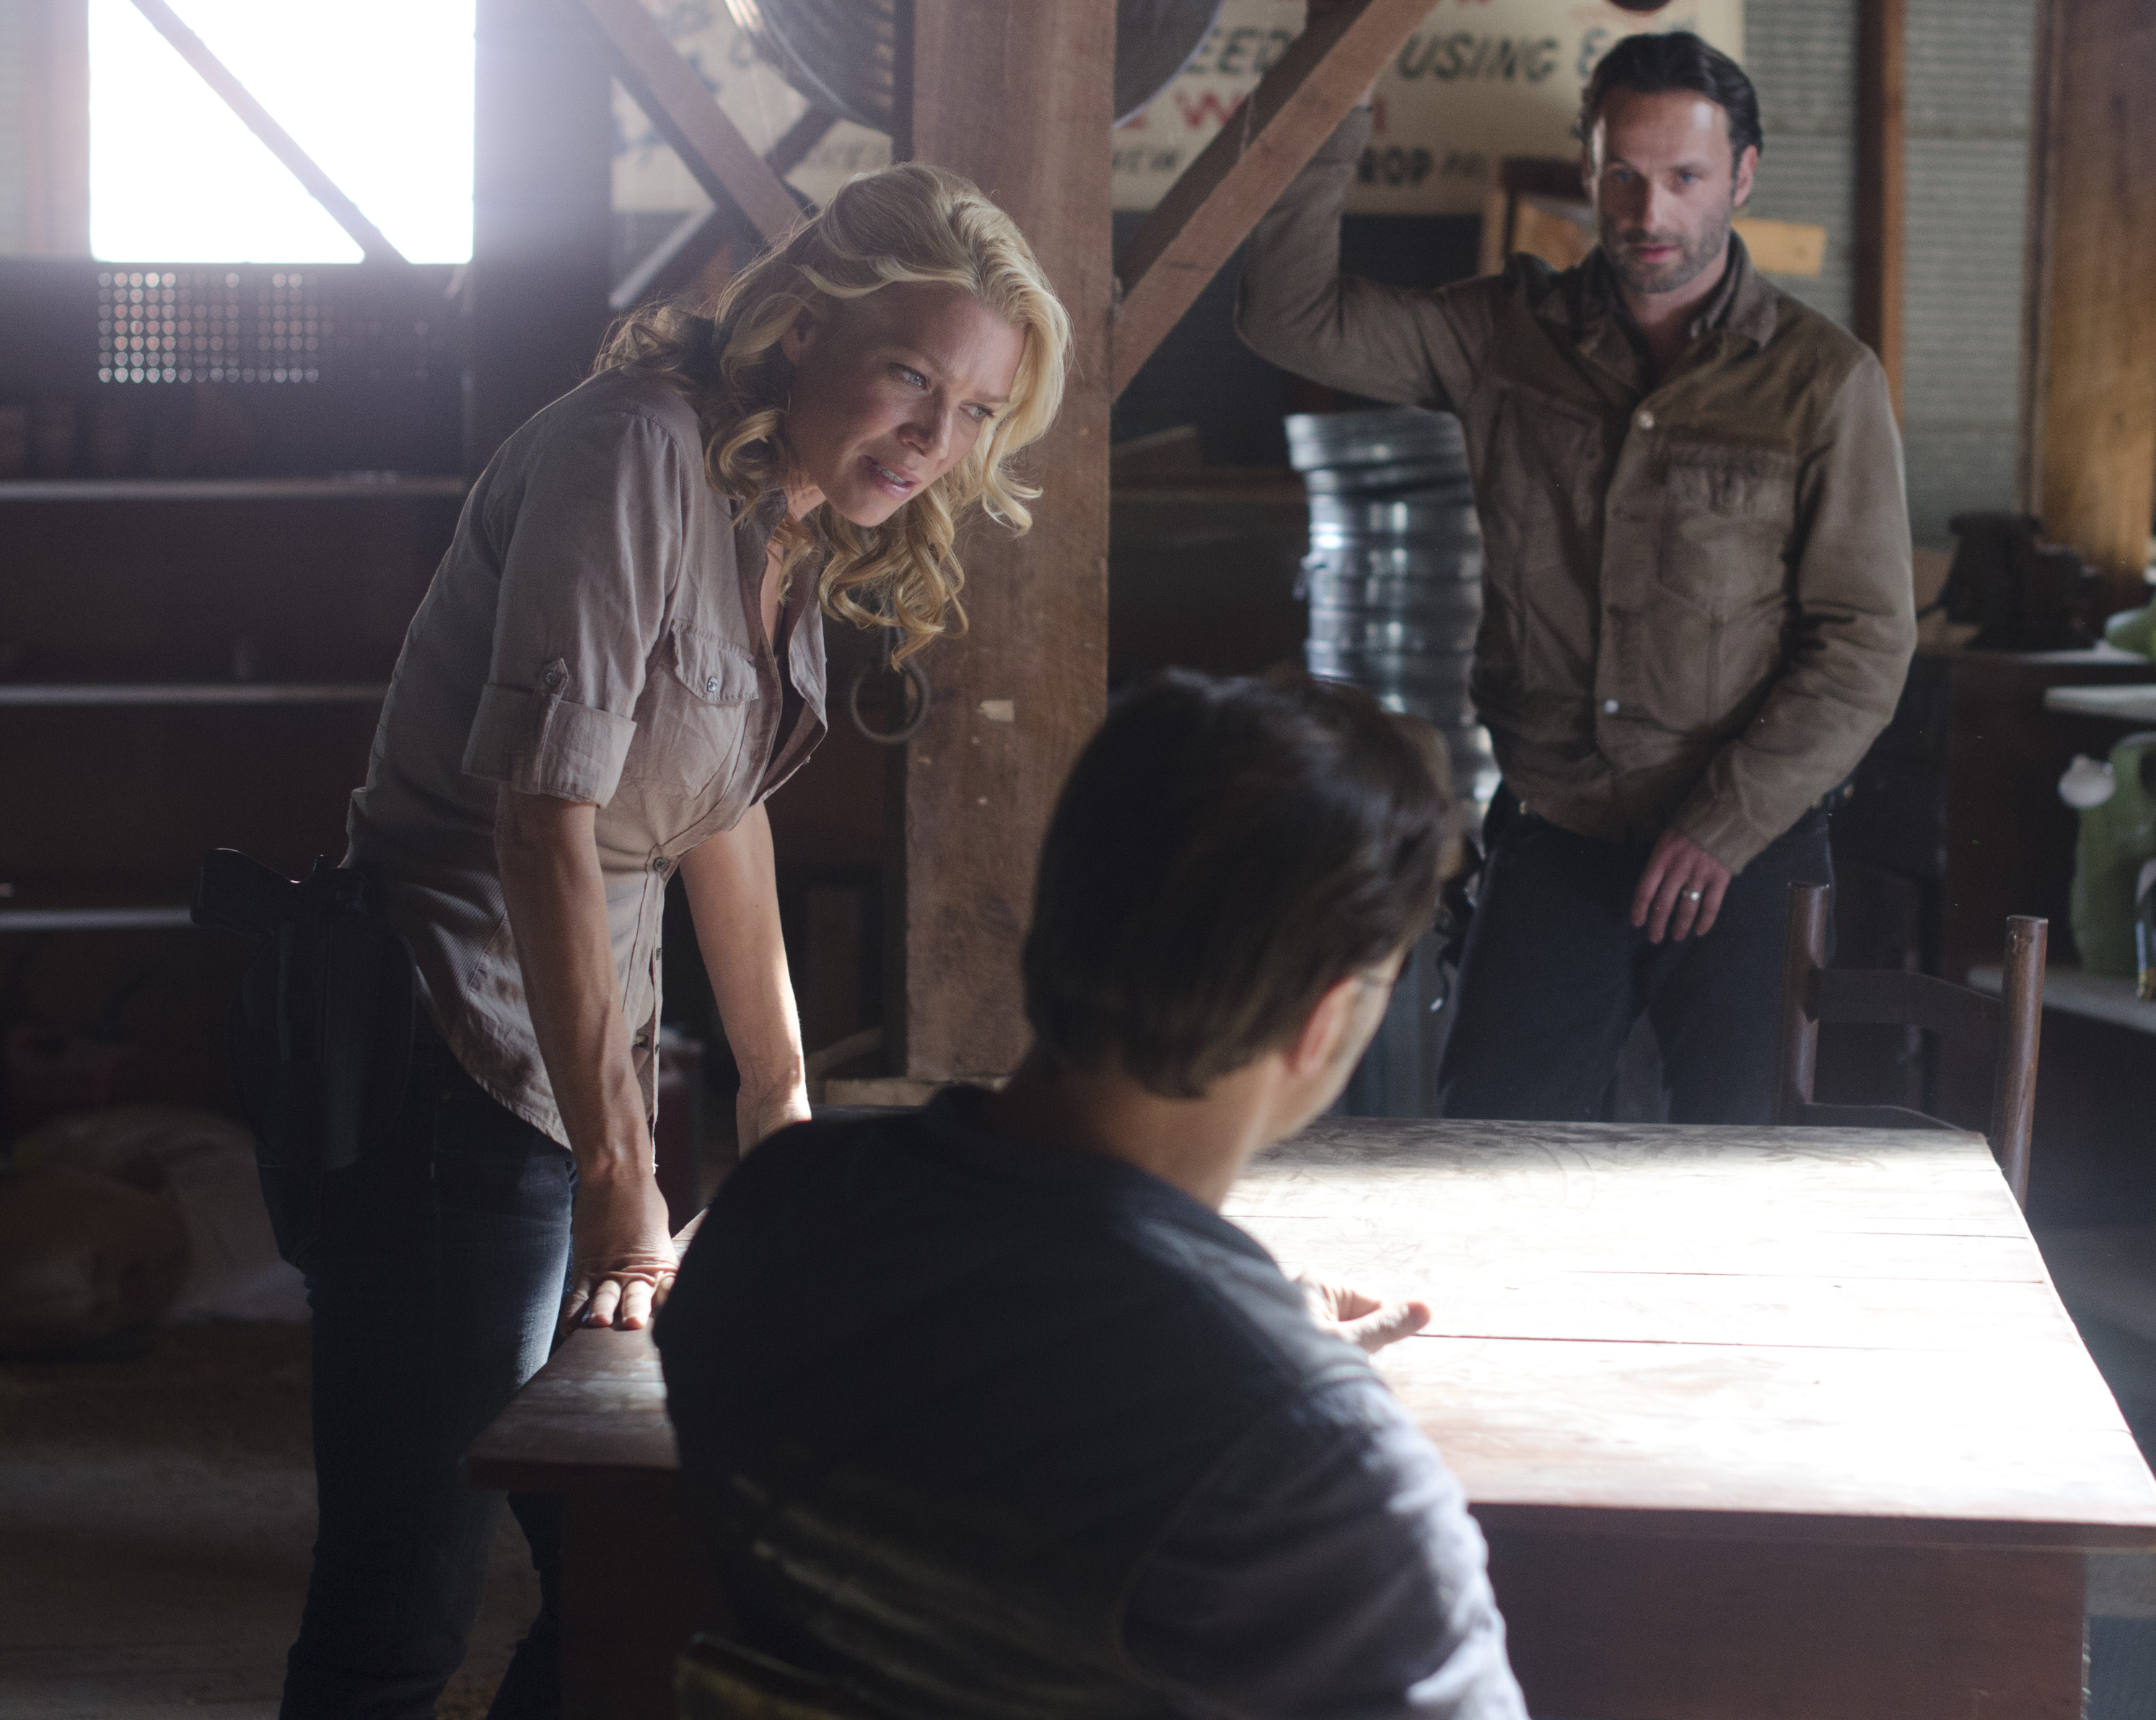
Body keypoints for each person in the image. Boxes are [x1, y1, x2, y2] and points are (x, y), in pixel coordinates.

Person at [266, 165, 1072, 1719]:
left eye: (975, 411)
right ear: (803, 326)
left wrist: (781, 1105)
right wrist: (619, 1178)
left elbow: (721, 808)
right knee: (404, 1596)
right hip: (446, 1058)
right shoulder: (633, 451)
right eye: (913, 376)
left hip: (571, 1077)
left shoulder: (781, 502)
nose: (936, 438)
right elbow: (541, 823)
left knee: (635, 1566)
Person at [659, 671, 1529, 1719]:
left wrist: (1245, 1353)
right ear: (1326, 1018)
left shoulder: (769, 1226)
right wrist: (1268, 1385)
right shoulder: (1318, 1470)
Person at [1237, 28, 1915, 1124]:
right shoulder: (1503, 335)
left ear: (1742, 176)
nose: (1651, 212)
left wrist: (1725, 822)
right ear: (1588, 169)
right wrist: (1336, 91)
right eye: (1624, 175)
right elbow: (1286, 316)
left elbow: (1867, 642)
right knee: (1494, 1153)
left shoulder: (1823, 383)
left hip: (1747, 849)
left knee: (1742, 1173)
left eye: (1685, 177)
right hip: (1557, 837)